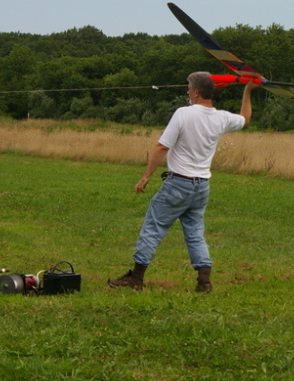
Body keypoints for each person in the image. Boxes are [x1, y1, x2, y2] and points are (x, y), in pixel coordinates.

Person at [108, 72, 259, 293]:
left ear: (196, 92)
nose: (187, 91)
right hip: (201, 188)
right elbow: (245, 118)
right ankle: (204, 282)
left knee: (153, 227)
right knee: (195, 232)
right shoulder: (222, 118)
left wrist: (146, 176)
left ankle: (136, 279)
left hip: (178, 185)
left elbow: (162, 147)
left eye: (189, 87)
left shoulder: (183, 113)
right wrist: (248, 91)